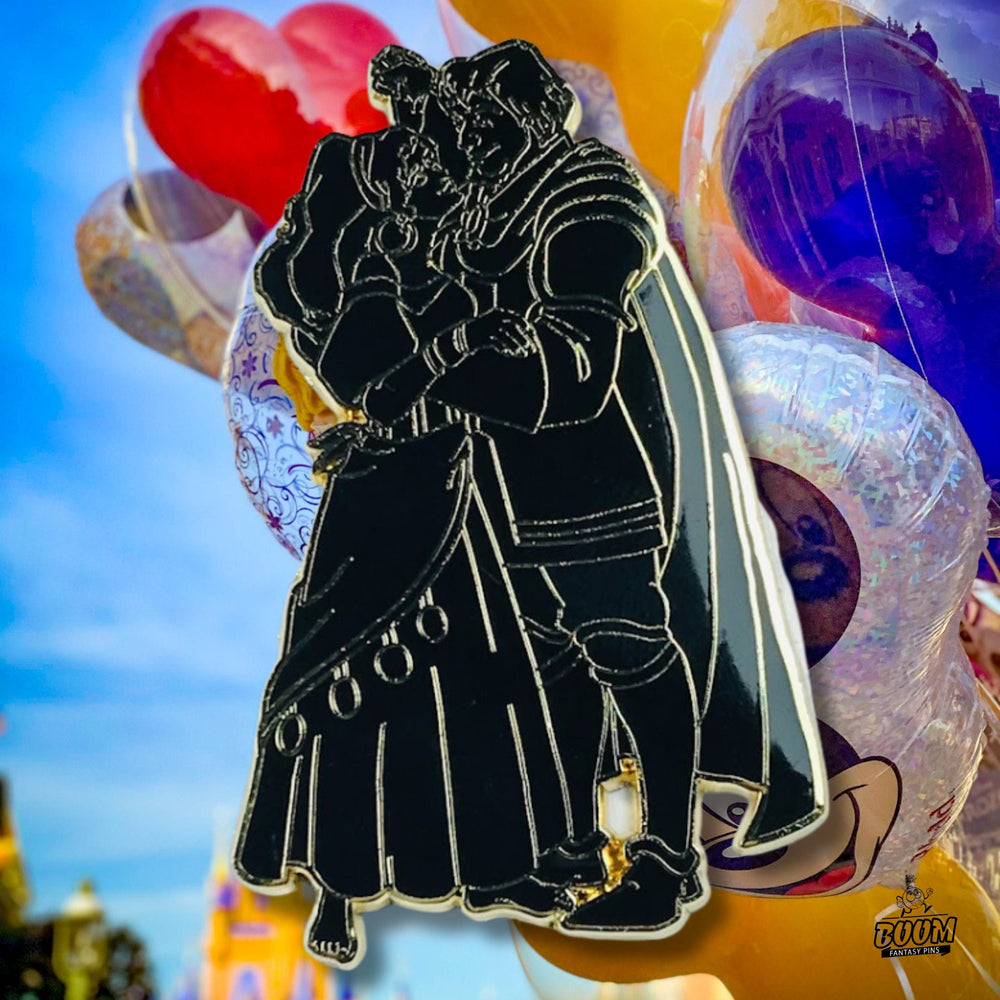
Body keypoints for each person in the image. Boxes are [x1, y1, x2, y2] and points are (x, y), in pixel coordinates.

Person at [415, 41, 827, 933]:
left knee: (627, 646)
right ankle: (574, 843)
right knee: (554, 662)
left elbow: (571, 366)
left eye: (481, 124)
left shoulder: (589, 195)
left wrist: (445, 365)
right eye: (463, 128)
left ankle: (665, 860)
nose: (467, 141)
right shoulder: (493, 210)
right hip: (521, 489)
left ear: (527, 120)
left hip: (598, 476)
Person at [235, 123, 576, 968]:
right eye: (411, 172)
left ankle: (502, 863)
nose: (429, 181)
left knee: (487, 671)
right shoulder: (346, 294)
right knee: (351, 675)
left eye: (433, 169)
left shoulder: (455, 268)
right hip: (382, 498)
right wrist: (464, 344)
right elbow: (376, 389)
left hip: (460, 486)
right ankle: (339, 879)